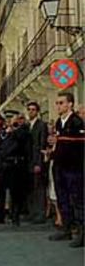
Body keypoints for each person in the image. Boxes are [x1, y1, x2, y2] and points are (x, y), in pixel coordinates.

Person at [48, 92, 84, 247]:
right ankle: (66, 228)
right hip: (59, 166)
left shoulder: (77, 122)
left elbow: (79, 143)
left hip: (73, 167)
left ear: (70, 104)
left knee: (77, 200)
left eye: (61, 103)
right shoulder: (58, 122)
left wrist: (59, 139)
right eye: (57, 103)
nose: (58, 106)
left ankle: (82, 233)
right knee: (62, 198)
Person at [26, 102, 48, 224]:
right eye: (29, 109)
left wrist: (39, 163)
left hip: (37, 162)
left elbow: (42, 144)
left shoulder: (41, 125)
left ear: (37, 111)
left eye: (33, 110)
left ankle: (40, 214)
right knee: (31, 188)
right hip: (28, 162)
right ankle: (32, 213)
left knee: (39, 188)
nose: (31, 112)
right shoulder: (27, 125)